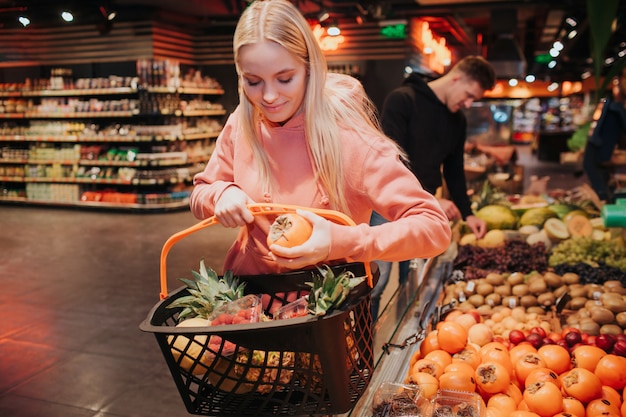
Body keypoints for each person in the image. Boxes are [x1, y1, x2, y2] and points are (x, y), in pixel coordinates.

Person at [189, 0, 451, 289]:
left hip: (328, 313)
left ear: (309, 68)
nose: (269, 96)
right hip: (250, 303)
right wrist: (221, 195)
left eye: (285, 78)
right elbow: (201, 192)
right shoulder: (241, 124)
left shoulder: (349, 137)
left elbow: (433, 227)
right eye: (253, 82)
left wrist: (341, 242)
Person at [370, 56, 496, 319]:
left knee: (414, 283)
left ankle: (401, 352)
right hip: (386, 207)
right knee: (376, 283)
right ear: (456, 78)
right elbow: (391, 161)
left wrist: (468, 212)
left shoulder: (457, 121)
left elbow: (454, 169)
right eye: (469, 95)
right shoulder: (403, 99)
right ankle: (362, 352)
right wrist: (427, 199)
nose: (468, 103)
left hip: (422, 212)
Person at [583, 75, 626, 204]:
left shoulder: (614, 107)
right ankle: (604, 198)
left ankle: (604, 198)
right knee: (596, 171)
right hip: (599, 145)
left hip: (599, 146)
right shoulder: (613, 106)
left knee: (593, 169)